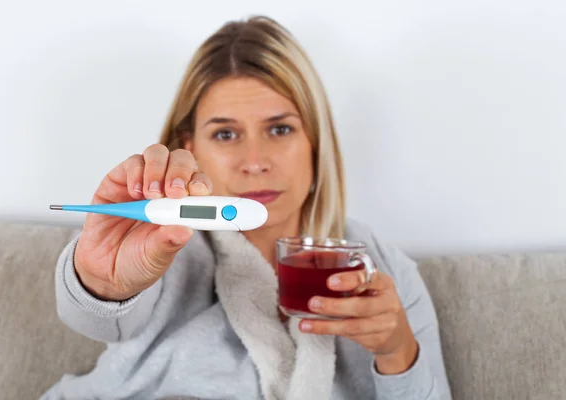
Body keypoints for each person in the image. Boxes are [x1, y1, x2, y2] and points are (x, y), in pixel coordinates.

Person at [41, 15, 451, 400]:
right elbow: (97, 318)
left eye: (279, 128)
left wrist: (398, 353)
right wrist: (103, 284)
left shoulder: (379, 267)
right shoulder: (164, 245)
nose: (255, 160)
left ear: (315, 141)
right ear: (190, 147)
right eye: (224, 134)